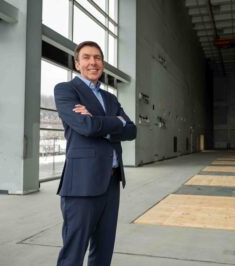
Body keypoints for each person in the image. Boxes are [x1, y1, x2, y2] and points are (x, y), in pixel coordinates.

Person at [54, 41, 136, 266]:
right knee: (74, 251)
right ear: (77, 63)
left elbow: (132, 130)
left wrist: (100, 121)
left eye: (98, 58)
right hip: (82, 182)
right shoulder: (65, 90)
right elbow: (86, 127)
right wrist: (116, 122)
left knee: (104, 249)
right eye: (87, 57)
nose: (93, 62)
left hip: (112, 181)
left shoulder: (110, 98)